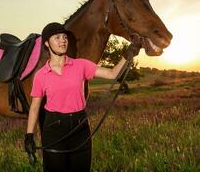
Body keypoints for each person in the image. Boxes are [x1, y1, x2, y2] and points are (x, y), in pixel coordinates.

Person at [24, 22, 141, 172]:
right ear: (47, 43)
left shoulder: (81, 65)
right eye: (57, 37)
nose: (63, 40)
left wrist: (128, 54)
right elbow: (34, 107)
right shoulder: (41, 75)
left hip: (80, 126)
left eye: (64, 37)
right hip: (53, 129)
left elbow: (112, 74)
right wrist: (29, 135)